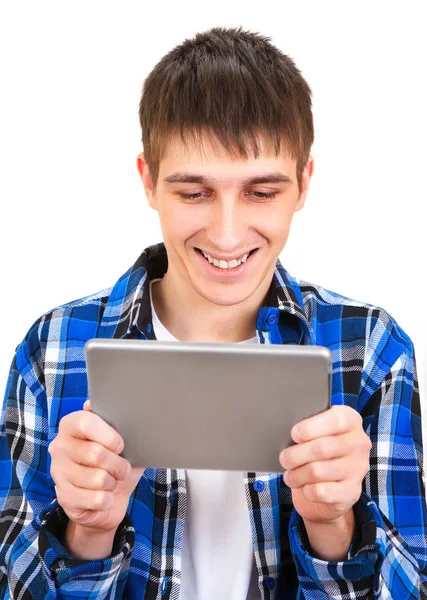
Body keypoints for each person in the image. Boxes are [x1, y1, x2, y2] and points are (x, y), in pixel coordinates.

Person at [0, 25, 425, 600]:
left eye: (262, 192)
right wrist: (87, 534)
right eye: (194, 192)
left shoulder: (370, 351)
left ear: (303, 184)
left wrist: (334, 528)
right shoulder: (51, 352)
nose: (227, 234)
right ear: (148, 181)